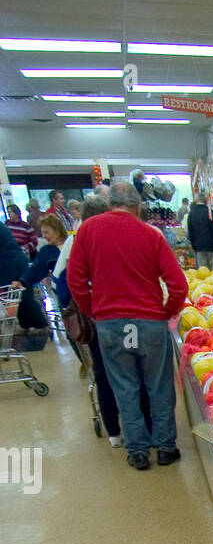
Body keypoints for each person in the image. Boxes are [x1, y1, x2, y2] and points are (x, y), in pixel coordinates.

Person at [67, 179, 188, 470]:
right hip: (149, 323)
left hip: (112, 324)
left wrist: (94, 311)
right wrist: (165, 312)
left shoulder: (87, 232)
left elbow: (75, 281)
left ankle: (137, 451)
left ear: (110, 204)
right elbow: (178, 286)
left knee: (126, 387)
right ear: (138, 206)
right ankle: (166, 447)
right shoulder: (152, 234)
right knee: (159, 386)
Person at [54, 193, 126, 447]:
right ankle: (134, 430)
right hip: (117, 318)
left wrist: (88, 307)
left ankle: (114, 433)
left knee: (104, 372)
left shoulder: (75, 242)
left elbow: (60, 284)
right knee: (128, 371)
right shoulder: (104, 238)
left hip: (97, 321)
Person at [186, 192, 213, 269]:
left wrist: (194, 247)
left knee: (204, 273)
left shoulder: (191, 214)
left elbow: (190, 233)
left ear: (196, 201)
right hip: (212, 247)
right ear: (206, 200)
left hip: (199, 248)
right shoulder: (210, 212)